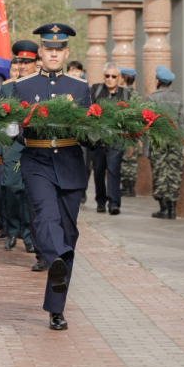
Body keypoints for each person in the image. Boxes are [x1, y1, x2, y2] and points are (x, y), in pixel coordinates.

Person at [12, 23, 92, 331]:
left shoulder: (80, 88)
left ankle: (56, 309)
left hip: (71, 164)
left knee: (69, 236)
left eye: (59, 50)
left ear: (66, 53)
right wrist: (13, 130)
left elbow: (87, 132)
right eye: (49, 49)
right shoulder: (24, 86)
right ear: (40, 53)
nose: (54, 54)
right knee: (46, 218)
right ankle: (54, 255)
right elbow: (16, 127)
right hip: (37, 161)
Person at [0, 40, 38, 258]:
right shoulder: (6, 88)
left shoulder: (41, 85)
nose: (22, 66)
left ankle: (29, 236)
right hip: (11, 145)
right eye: (19, 61)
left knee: (30, 193)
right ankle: (12, 230)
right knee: (11, 188)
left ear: (36, 63)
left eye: (27, 62)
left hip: (34, 146)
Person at [90, 63, 130, 215]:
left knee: (114, 169)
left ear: (119, 78)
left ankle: (114, 203)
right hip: (98, 138)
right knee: (99, 170)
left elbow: (130, 117)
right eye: (107, 76)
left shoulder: (125, 94)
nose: (110, 79)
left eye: (114, 76)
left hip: (117, 138)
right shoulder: (96, 90)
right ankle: (101, 201)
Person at [148, 66, 184, 220]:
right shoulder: (178, 98)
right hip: (175, 140)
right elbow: (181, 123)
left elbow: (148, 123)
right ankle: (172, 209)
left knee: (160, 172)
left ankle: (163, 208)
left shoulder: (152, 98)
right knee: (174, 172)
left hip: (159, 140)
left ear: (157, 80)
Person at [119, 67, 139, 197]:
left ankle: (126, 187)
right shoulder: (136, 95)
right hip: (135, 132)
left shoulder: (122, 94)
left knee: (125, 160)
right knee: (132, 160)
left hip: (124, 131)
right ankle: (131, 187)